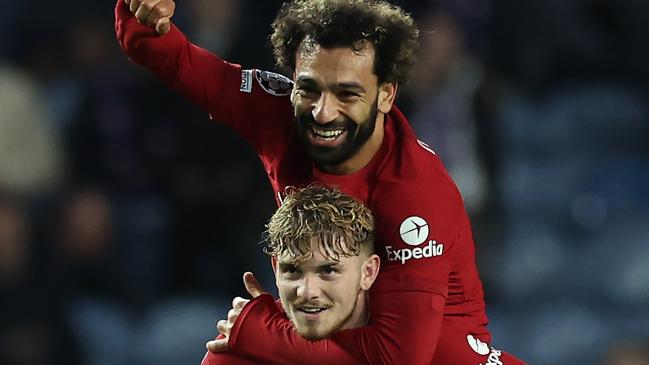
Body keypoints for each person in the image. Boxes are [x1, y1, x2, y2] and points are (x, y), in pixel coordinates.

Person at [115, 0, 526, 363]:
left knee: (247, 337)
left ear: (385, 95)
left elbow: (400, 357)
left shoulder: (414, 192)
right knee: (229, 355)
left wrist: (266, 331)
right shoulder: (275, 114)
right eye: (309, 89)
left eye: (347, 94)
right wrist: (142, 16)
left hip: (436, 355)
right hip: (327, 330)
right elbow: (174, 59)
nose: (323, 113)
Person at [203, 185, 380, 365]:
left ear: (368, 272)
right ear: (275, 268)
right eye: (292, 270)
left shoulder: (404, 341)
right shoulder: (234, 356)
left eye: (328, 271)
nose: (306, 291)